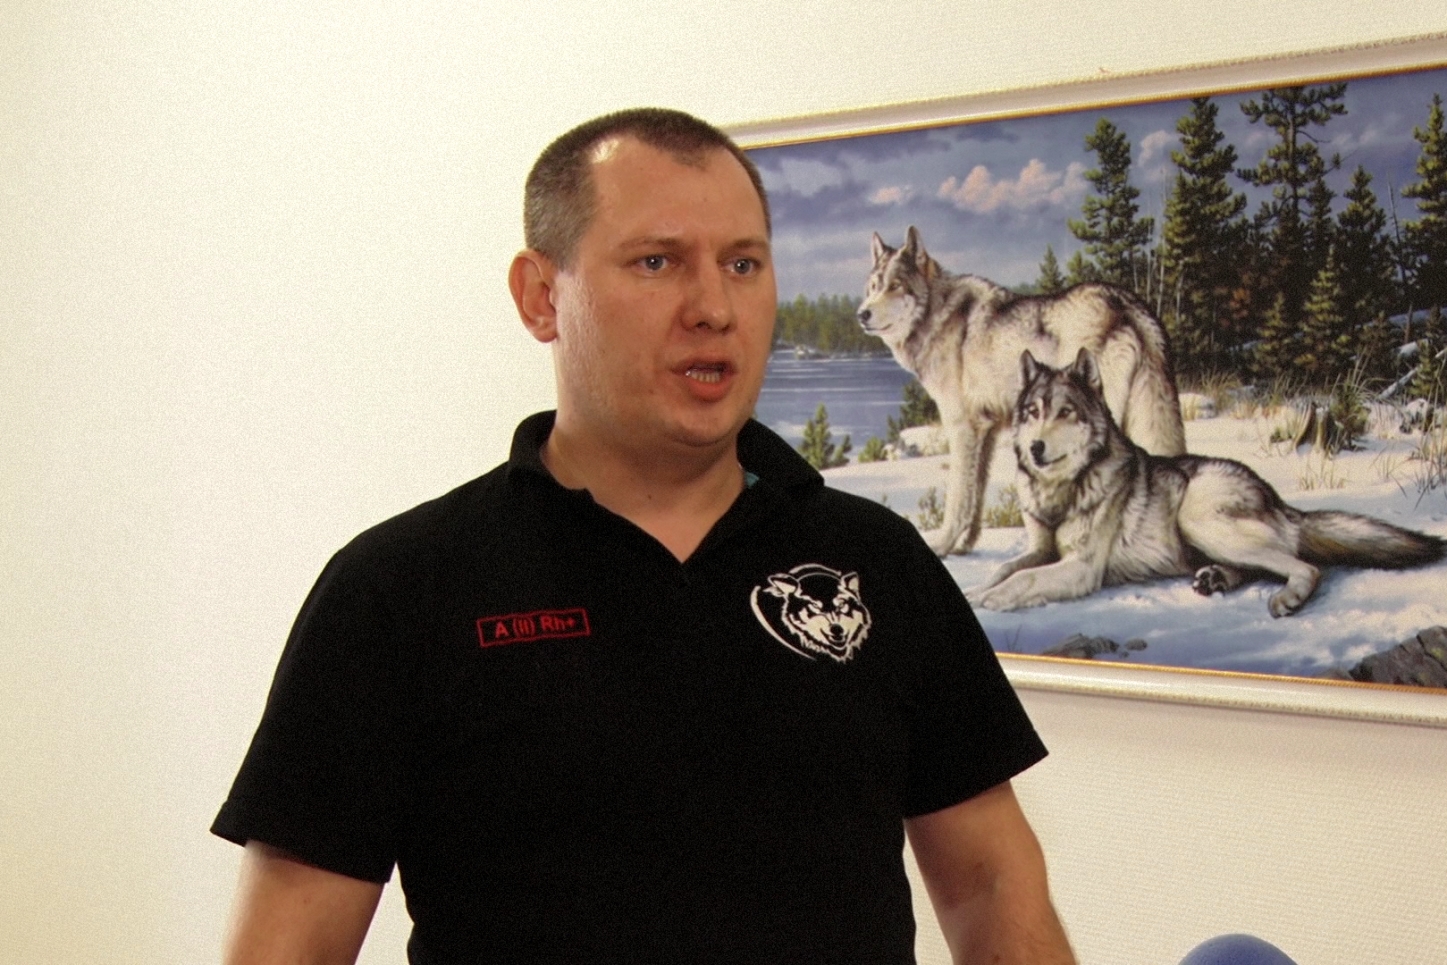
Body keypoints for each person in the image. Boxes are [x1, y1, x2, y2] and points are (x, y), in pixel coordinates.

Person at [214, 108, 1077, 965]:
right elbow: (289, 947)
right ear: (541, 296)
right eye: (657, 262)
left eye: (743, 264)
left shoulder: (879, 562)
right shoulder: (398, 590)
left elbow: (990, 883)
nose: (714, 308)